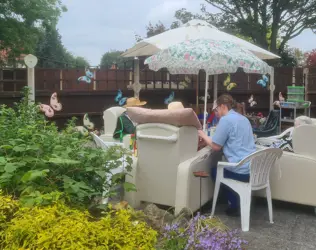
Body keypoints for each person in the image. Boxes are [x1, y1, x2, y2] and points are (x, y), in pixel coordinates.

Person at [198, 94, 256, 217]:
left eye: (216, 109)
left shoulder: (226, 120)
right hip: (253, 169)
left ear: (223, 106)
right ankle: (235, 199)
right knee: (222, 168)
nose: (216, 113)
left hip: (240, 171)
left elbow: (215, 146)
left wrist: (203, 135)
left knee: (215, 171)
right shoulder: (243, 119)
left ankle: (233, 203)